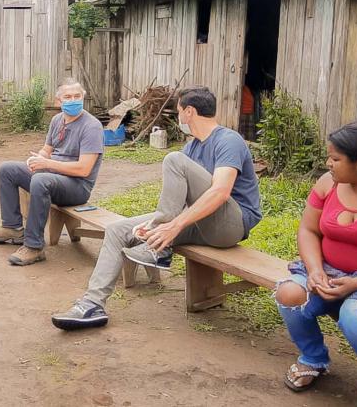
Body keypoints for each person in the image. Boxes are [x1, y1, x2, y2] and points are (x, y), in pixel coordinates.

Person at [51, 86, 261, 329]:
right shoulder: (192, 148)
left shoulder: (227, 140)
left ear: (189, 112)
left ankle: (159, 248)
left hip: (230, 225)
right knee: (119, 230)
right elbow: (180, 201)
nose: (178, 116)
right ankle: (92, 305)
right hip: (200, 221)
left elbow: (220, 192)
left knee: (173, 160)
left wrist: (172, 226)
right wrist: (152, 227)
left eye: (179, 110)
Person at [274, 122, 357, 406]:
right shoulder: (328, 183)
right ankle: (313, 357)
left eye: (336, 159)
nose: (329, 164)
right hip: (327, 273)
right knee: (289, 293)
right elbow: (308, 231)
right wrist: (315, 271)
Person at [0, 80, 104, 266]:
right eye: (68, 97)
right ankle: (12, 227)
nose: (73, 100)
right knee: (7, 169)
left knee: (41, 180)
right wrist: (36, 160)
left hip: (77, 187)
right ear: (58, 101)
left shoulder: (92, 126)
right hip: (52, 176)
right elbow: (46, 150)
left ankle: (34, 246)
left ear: (83, 98)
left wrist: (47, 163)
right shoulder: (57, 120)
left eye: (77, 96)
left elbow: (84, 169)